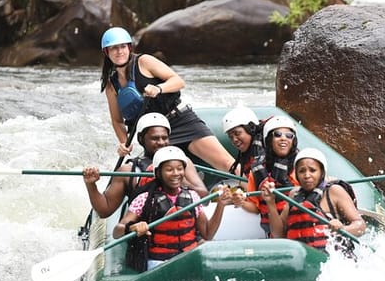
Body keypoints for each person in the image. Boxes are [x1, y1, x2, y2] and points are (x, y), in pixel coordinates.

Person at [99, 26, 235, 172]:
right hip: (155, 136)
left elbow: (178, 81)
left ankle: (253, 188)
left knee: (226, 163)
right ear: (107, 52)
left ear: (129, 47)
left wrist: (159, 89)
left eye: (122, 46)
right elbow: (117, 121)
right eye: (113, 48)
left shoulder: (144, 61)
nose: (119, 51)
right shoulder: (111, 85)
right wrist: (123, 143)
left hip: (179, 121)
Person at [113, 146, 232, 272]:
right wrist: (132, 227)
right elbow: (116, 232)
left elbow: (207, 234)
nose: (176, 173)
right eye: (169, 170)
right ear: (158, 173)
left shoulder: (193, 196)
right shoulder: (145, 199)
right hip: (159, 262)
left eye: (180, 169)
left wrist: (220, 205)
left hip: (189, 257)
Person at [83, 112, 207, 218]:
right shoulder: (128, 171)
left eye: (165, 138)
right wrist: (91, 184)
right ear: (141, 139)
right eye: (155, 138)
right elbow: (105, 210)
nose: (161, 143)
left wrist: (181, 180)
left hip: (184, 230)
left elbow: (204, 197)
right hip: (147, 234)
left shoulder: (182, 163)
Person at [263, 148, 366, 256]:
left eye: (312, 170)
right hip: (303, 261)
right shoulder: (294, 196)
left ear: (322, 172)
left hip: (332, 262)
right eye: (302, 171)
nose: (307, 175)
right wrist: (270, 203)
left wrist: (343, 229)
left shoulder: (334, 191)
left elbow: (361, 225)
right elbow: (279, 234)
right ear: (297, 174)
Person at [232, 115, 300, 237]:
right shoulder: (257, 171)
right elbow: (255, 207)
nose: (283, 138)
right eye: (278, 134)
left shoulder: (301, 167)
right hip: (274, 234)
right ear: (268, 140)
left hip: (298, 230)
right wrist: (241, 202)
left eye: (289, 136)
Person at [221, 106, 266, 179]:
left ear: (251, 128)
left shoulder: (267, 150)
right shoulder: (248, 154)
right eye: (231, 137)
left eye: (237, 133)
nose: (234, 140)